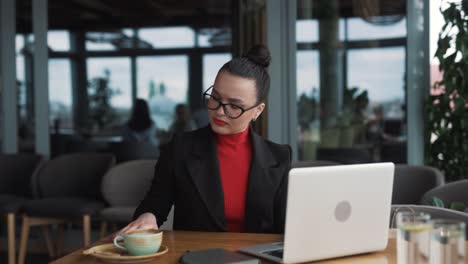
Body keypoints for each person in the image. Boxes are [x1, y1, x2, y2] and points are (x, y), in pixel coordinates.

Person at [118, 45, 291, 235]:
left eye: (234, 106)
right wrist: (148, 216)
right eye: (215, 98)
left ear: (257, 111)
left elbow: (285, 230)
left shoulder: (279, 157)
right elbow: (155, 203)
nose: (219, 111)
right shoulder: (180, 148)